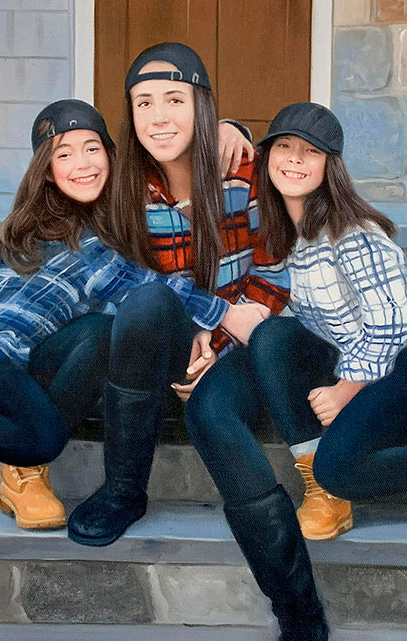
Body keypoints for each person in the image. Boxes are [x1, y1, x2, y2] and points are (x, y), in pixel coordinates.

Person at [186, 102, 407, 640]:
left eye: (310, 152)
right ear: (267, 157)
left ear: (329, 166)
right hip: (345, 364)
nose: (295, 160)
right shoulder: (282, 239)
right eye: (284, 148)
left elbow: (400, 320)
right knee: (273, 335)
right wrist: (219, 339)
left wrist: (347, 387)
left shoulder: (352, 231)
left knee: (343, 466)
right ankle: (323, 492)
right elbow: (290, 318)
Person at [0, 99, 265, 530]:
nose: (81, 163)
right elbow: (135, 282)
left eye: (91, 148)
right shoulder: (64, 227)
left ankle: (20, 470)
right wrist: (223, 314)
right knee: (43, 437)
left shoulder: (105, 217)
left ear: (110, 155)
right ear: (47, 171)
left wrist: (229, 128)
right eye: (63, 154)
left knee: (104, 332)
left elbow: (165, 160)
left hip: (23, 361)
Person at [61, 42, 290, 549]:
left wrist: (218, 341)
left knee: (217, 404)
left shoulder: (248, 175)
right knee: (144, 302)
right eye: (144, 103)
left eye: (174, 99)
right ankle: (123, 489)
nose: (158, 117)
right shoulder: (120, 186)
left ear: (201, 107)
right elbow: (112, 283)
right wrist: (191, 333)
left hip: (233, 346)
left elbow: (275, 276)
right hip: (153, 352)